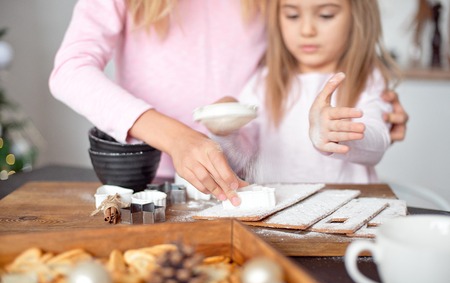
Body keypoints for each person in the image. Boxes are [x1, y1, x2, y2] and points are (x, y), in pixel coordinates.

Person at [49, 0, 407, 204]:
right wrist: (179, 138)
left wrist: (368, 120)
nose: (306, 27)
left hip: (234, 189)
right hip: (150, 185)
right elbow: (70, 71)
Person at [207, 0, 402, 184]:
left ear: (357, 16)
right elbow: (240, 164)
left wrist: (334, 134)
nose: (307, 30)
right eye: (292, 16)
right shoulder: (263, 82)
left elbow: (376, 147)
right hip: (278, 215)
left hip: (348, 213)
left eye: (326, 15)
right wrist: (225, 131)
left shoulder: (366, 78)